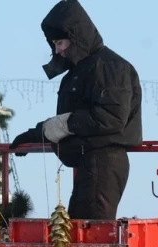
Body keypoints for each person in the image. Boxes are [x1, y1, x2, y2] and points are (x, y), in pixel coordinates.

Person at [9, 0, 143, 220]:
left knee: (91, 236)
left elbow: (111, 117)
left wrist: (63, 125)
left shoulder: (108, 66)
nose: (57, 50)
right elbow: (72, 119)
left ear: (77, 36)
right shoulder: (84, 69)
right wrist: (36, 134)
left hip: (104, 162)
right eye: (54, 45)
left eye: (61, 43)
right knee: (80, 233)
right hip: (89, 163)